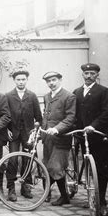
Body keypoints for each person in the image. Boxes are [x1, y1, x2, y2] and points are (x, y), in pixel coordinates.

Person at [73, 63, 108, 216]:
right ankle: (92, 197)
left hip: (100, 137)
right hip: (84, 138)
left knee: (101, 170)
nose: (89, 76)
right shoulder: (77, 92)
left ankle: (101, 201)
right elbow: (74, 115)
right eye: (86, 73)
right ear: (82, 75)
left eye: (92, 73)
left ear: (97, 75)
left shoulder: (103, 91)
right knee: (90, 169)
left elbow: (107, 113)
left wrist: (92, 126)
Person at [4, 70, 42, 201]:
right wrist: (6, 130)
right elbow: (4, 115)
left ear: (27, 80)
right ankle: (11, 189)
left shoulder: (31, 96)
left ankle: (26, 187)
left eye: (23, 79)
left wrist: (35, 129)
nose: (21, 82)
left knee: (28, 159)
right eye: (18, 80)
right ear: (14, 81)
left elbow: (38, 117)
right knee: (13, 160)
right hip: (13, 133)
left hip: (28, 133)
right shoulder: (8, 96)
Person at [41, 71, 76, 206]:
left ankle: (63, 195)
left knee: (55, 168)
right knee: (46, 165)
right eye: (48, 81)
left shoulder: (69, 96)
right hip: (48, 138)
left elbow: (70, 118)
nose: (51, 83)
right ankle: (55, 194)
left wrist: (57, 128)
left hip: (61, 138)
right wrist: (41, 131)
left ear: (60, 80)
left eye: (54, 80)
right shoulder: (47, 96)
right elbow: (46, 115)